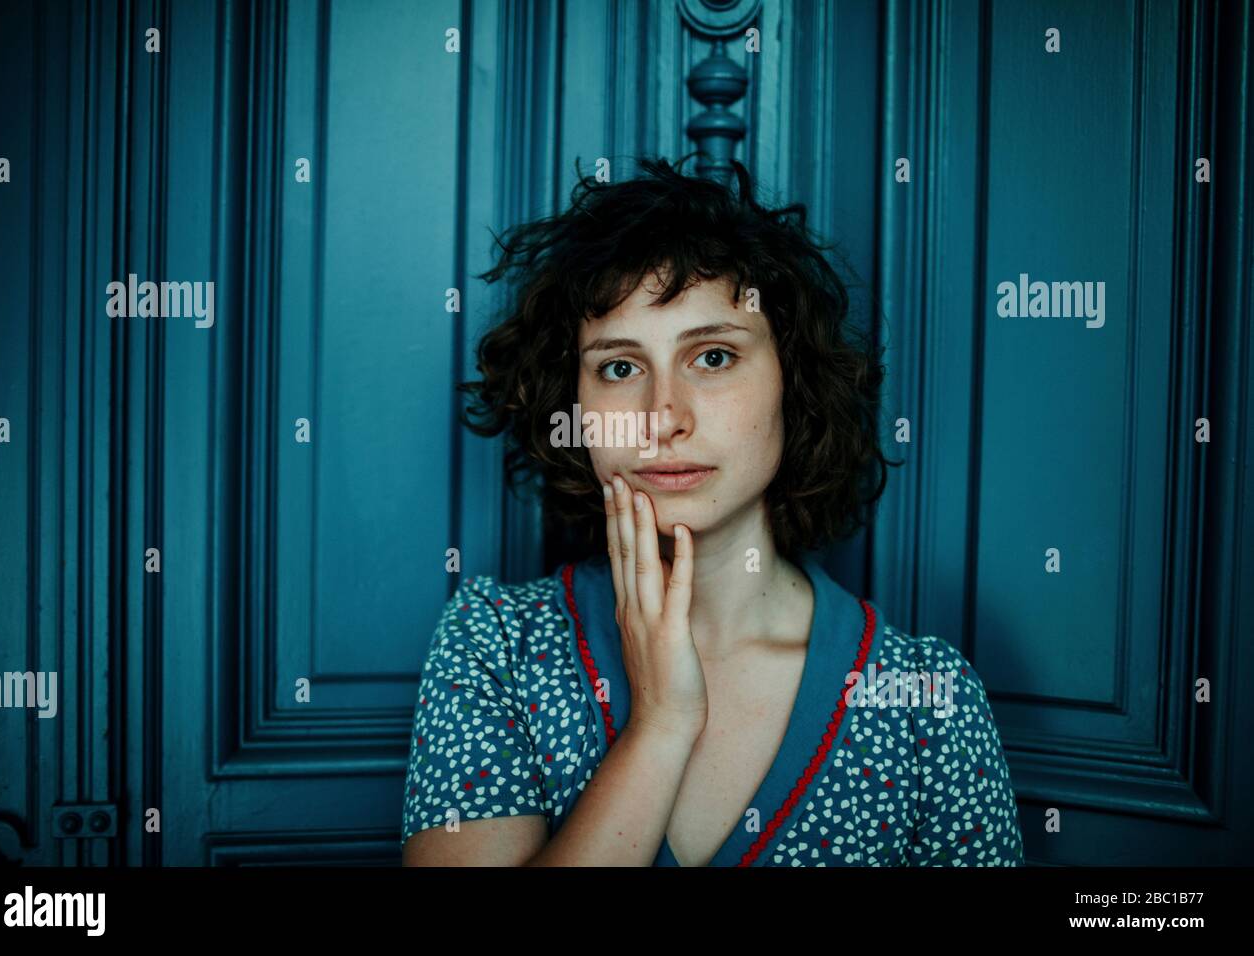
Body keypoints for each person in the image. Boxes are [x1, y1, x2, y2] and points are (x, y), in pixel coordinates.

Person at [400, 156, 1025, 866]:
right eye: (619, 368)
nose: (663, 418)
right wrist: (660, 727)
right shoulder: (494, 648)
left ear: (793, 383)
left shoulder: (926, 703)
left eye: (715, 357)